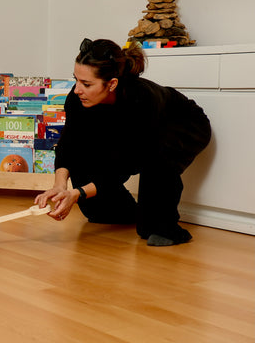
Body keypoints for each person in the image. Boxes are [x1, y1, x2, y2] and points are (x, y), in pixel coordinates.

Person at [35, 38, 211, 246]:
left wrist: (78, 193)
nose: (77, 90)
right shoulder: (77, 98)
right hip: (134, 133)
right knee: (99, 211)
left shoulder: (140, 100)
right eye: (76, 80)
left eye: (87, 84)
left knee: (153, 214)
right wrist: (60, 185)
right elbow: (70, 142)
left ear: (112, 84)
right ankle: (129, 211)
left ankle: (165, 227)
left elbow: (126, 163)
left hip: (183, 124)